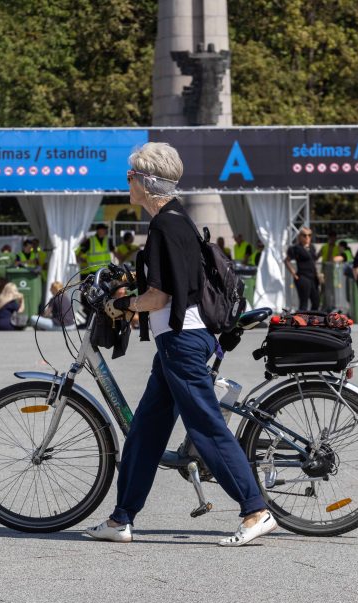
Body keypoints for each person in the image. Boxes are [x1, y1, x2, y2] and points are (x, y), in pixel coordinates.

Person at [87, 141, 274, 547]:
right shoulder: (175, 220)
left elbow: (162, 296)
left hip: (183, 341)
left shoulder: (165, 226)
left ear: (148, 181)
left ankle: (255, 509)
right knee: (145, 431)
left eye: (132, 175)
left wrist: (124, 304)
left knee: (205, 427)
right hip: (179, 340)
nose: (128, 181)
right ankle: (121, 519)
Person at [286, 227, 320, 310]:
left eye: (309, 235)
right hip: (303, 277)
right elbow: (287, 261)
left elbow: (313, 261)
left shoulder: (312, 247)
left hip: (313, 278)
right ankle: (301, 321)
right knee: (304, 302)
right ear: (300, 236)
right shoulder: (296, 248)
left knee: (316, 301)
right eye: (304, 235)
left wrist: (318, 274)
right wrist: (294, 274)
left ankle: (313, 320)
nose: (307, 237)